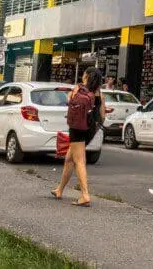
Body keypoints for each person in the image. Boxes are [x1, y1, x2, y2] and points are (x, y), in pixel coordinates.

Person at [52, 68, 105, 207]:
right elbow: (103, 115)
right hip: (90, 129)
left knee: (79, 160)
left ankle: (85, 195)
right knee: (69, 159)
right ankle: (59, 189)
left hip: (77, 128)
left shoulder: (79, 89)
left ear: (86, 76)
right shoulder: (99, 93)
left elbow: (69, 101)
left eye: (83, 74)